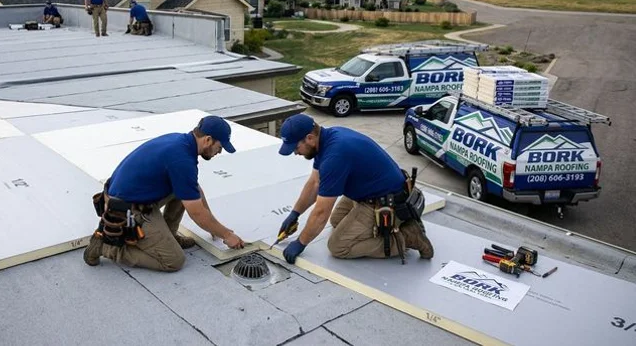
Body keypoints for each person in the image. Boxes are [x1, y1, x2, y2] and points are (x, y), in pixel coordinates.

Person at [83, 116, 246, 272]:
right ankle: (105, 248)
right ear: (208, 140)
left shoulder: (181, 142)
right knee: (173, 261)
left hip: (127, 195)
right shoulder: (182, 160)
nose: (219, 152)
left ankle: (170, 235)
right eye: (220, 147)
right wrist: (226, 235)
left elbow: (194, 190)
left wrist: (214, 227)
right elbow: (196, 212)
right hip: (125, 210)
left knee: (186, 189)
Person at [275, 114, 433, 265]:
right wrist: (295, 214)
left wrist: (301, 242)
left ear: (309, 138)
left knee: (338, 246)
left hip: (386, 201)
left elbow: (321, 212)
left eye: (295, 147)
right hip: (369, 190)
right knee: (337, 220)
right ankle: (376, 228)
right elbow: (315, 183)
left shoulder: (334, 156)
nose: (295, 153)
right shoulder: (325, 139)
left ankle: (408, 237)